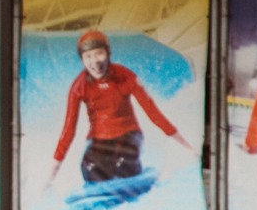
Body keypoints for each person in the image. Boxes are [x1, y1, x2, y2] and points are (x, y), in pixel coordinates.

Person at [48, 29, 181, 190]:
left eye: (99, 54)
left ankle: (133, 180)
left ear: (108, 53)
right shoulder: (79, 86)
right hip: (99, 140)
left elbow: (153, 112)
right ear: (82, 60)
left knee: (123, 165)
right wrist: (50, 177)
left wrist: (185, 146)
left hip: (129, 134)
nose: (95, 61)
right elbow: (68, 130)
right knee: (90, 169)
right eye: (88, 56)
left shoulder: (125, 76)